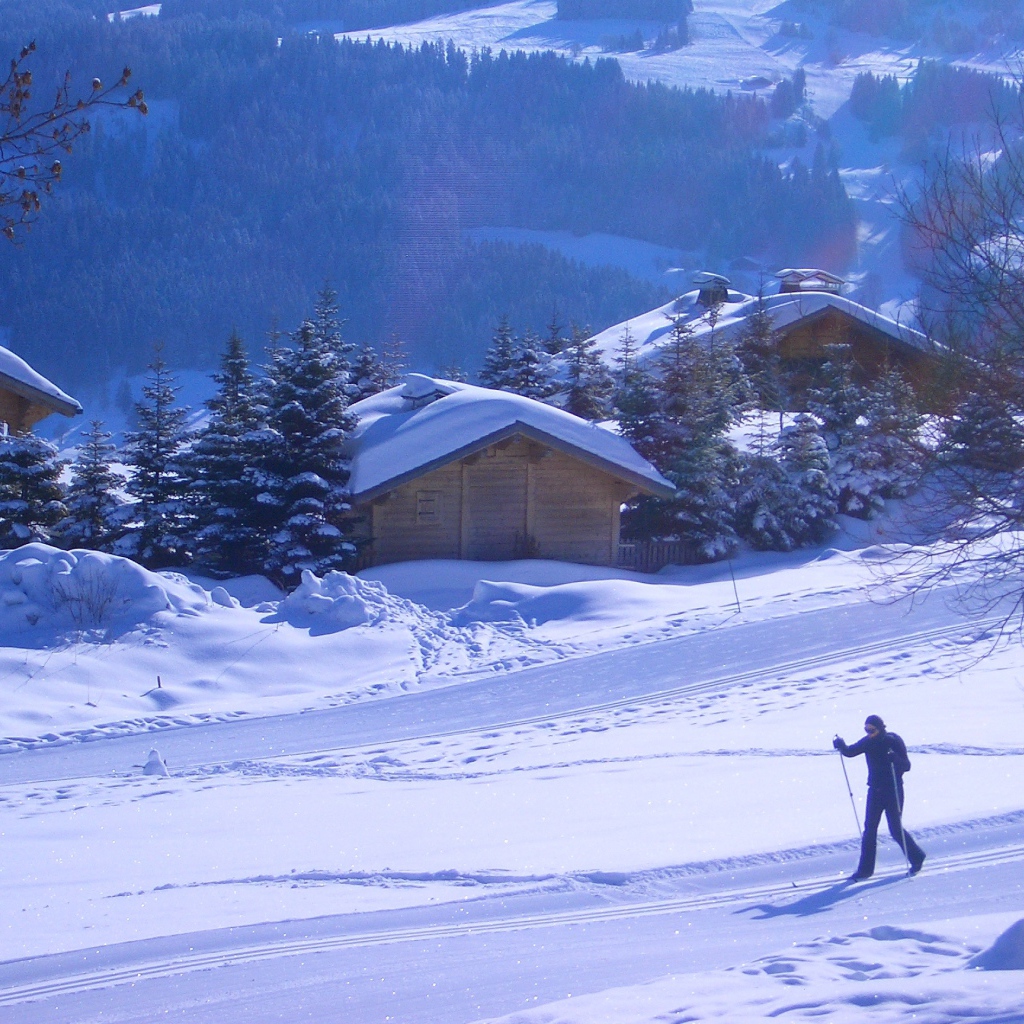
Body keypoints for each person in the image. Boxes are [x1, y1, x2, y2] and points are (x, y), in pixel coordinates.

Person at [833, 714, 926, 880]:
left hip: (893, 790)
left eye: (872, 729)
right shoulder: (868, 741)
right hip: (875, 791)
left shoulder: (893, 740)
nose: (869, 732)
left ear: (881, 728)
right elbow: (851, 752)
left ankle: (917, 858)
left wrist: (895, 758)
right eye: (866, 729)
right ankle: (865, 870)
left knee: (895, 828)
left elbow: (907, 766)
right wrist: (841, 746)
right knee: (869, 830)